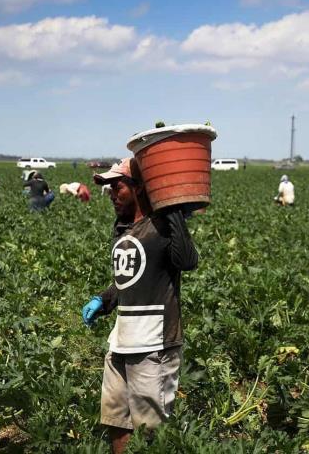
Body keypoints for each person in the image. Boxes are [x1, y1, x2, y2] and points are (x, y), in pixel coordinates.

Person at [82, 158, 199, 454]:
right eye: (108, 187)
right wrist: (104, 299)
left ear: (140, 188)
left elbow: (187, 261)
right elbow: (127, 280)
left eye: (116, 185)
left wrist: (171, 210)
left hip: (154, 344)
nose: (110, 193)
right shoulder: (124, 229)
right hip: (121, 340)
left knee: (151, 432)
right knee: (116, 419)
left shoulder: (159, 226)